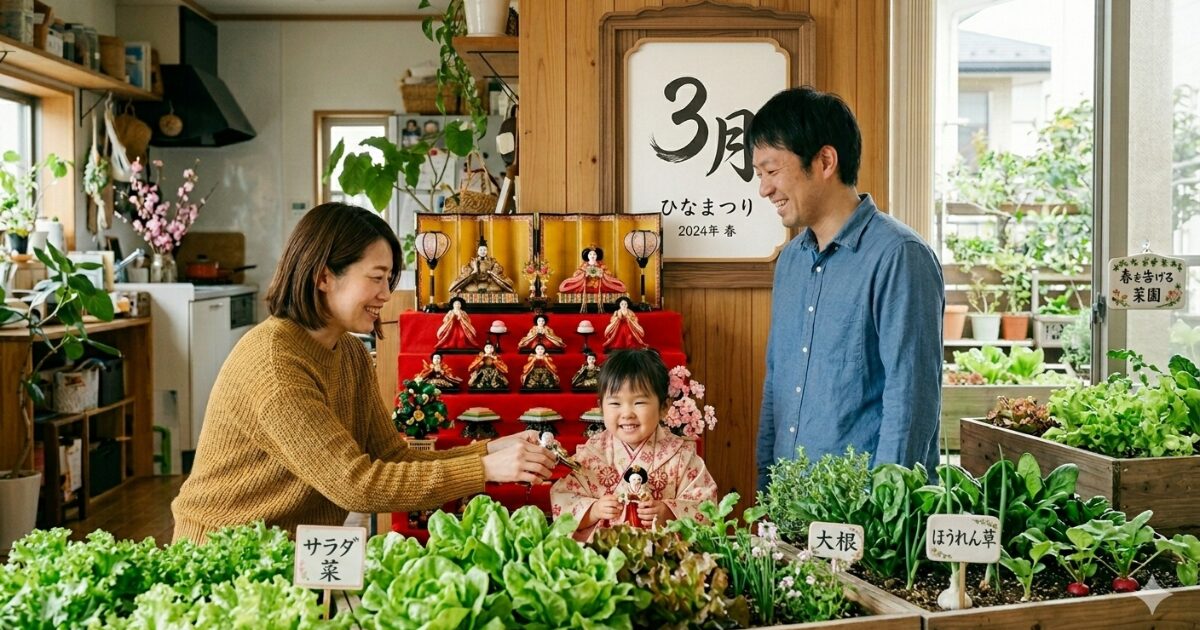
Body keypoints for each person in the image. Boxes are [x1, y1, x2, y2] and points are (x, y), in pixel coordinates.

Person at [171, 203, 556, 542]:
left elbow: (391, 457)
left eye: (389, 280)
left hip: (292, 551)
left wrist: (488, 450)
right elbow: (355, 484)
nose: (386, 294)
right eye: (376, 278)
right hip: (225, 551)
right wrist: (484, 468)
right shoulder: (275, 363)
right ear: (323, 277)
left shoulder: (349, 351)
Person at [749, 87, 943, 494]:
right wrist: (767, 491)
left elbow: (911, 399)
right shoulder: (790, 262)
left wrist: (883, 513)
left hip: (864, 521)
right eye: (759, 174)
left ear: (824, 161)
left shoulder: (899, 256)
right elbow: (777, 385)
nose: (764, 189)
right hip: (792, 509)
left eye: (771, 170)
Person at [550, 349, 717, 541]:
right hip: (605, 558)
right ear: (601, 407)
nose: (627, 413)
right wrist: (593, 510)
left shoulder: (681, 455)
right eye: (615, 403)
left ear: (663, 407)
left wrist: (668, 512)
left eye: (639, 402)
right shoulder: (592, 454)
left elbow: (706, 504)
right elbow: (563, 499)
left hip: (664, 558)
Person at [558, 246, 628, 313]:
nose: (592, 256)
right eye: (590, 254)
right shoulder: (584, 265)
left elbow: (609, 274)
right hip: (585, 285)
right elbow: (575, 274)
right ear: (587, 256)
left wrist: (602, 274)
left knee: (621, 287)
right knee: (564, 287)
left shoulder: (601, 265)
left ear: (597, 256)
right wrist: (584, 274)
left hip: (601, 284)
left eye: (594, 254)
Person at [448, 236, 517, 296]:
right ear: (477, 251)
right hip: (475, 284)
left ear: (487, 251)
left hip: (490, 283)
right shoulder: (473, 262)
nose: (483, 251)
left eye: (484, 250)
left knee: (497, 288)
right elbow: (466, 274)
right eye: (481, 250)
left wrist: (491, 273)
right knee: (468, 288)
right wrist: (474, 271)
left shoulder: (492, 261)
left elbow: (498, 270)